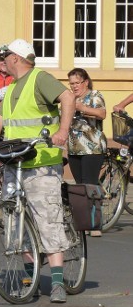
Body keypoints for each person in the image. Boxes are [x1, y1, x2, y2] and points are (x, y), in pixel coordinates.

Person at [0, 38, 75, 303]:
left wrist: (63, 132)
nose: (2, 61)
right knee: (15, 223)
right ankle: (29, 277)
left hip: (42, 163)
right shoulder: (11, 88)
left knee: (48, 220)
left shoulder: (39, 78)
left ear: (17, 58)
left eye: (5, 56)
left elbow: (67, 97)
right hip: (15, 163)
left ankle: (57, 281)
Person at [67, 68, 106, 237]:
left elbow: (101, 113)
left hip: (92, 147)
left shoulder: (94, 95)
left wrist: (82, 108)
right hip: (74, 148)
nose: (74, 86)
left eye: (77, 83)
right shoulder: (69, 98)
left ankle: (95, 224)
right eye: (71, 83)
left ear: (85, 82)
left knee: (89, 184)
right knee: (80, 186)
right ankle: (84, 222)